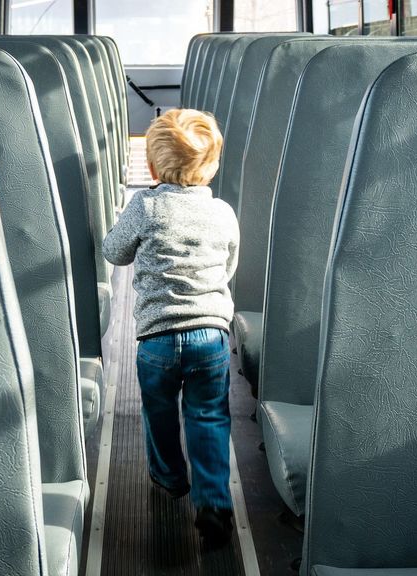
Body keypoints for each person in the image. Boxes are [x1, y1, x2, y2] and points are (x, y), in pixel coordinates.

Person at [103, 108, 239, 547]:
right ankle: (214, 501)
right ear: (213, 164)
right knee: (209, 415)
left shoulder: (146, 205)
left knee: (158, 411)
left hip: (157, 339)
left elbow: (115, 252)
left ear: (153, 167)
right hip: (210, 336)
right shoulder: (222, 212)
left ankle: (169, 477)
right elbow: (227, 267)